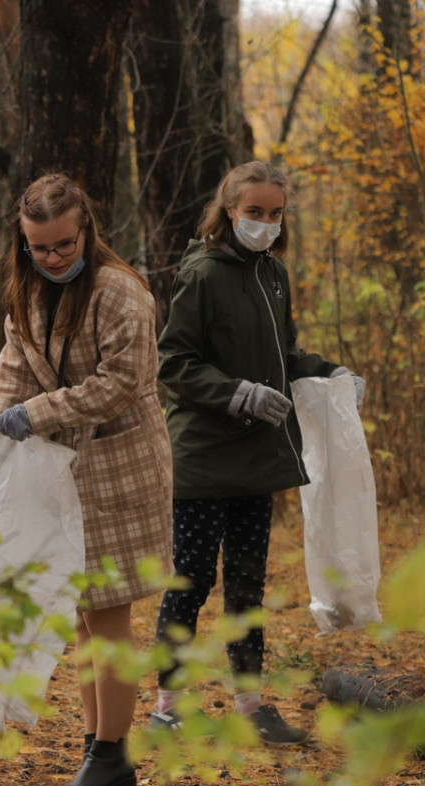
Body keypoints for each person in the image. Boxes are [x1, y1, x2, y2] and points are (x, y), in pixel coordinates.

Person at [152, 160, 365, 746]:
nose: (265, 224)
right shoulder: (201, 273)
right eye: (254, 213)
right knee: (189, 583)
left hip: (258, 459)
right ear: (229, 212)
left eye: (274, 214)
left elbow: (283, 354)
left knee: (246, 585)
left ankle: (252, 707)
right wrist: (236, 394)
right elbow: (173, 362)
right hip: (201, 457)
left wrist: (332, 374)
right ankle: (167, 709)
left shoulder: (274, 274)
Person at [0, 174, 174, 786]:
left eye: (64, 245)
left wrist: (35, 416)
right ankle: (98, 747)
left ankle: (115, 758)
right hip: (63, 474)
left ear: (87, 231)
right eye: (39, 248)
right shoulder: (28, 295)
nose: (53, 258)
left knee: (110, 611)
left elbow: (123, 382)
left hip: (121, 469)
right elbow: (13, 373)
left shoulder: (121, 293)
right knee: (83, 618)